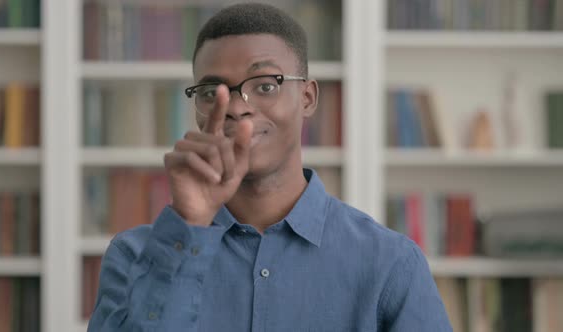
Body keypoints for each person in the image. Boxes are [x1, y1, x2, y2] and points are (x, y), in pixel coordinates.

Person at [87, 3, 452, 331]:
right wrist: (188, 225)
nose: (235, 107)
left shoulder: (389, 263)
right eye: (212, 92)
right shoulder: (134, 256)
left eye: (264, 85)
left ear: (307, 98)